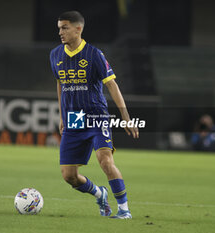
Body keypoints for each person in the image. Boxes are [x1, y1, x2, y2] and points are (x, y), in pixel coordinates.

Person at [49, 11, 139, 219]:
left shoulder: (94, 54)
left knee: (105, 161)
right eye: (59, 28)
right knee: (69, 176)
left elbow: (112, 86)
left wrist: (125, 117)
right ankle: (99, 193)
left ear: (78, 28)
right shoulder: (55, 55)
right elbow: (60, 84)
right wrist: (63, 117)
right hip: (73, 120)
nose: (60, 32)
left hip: (96, 116)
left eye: (64, 27)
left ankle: (124, 210)